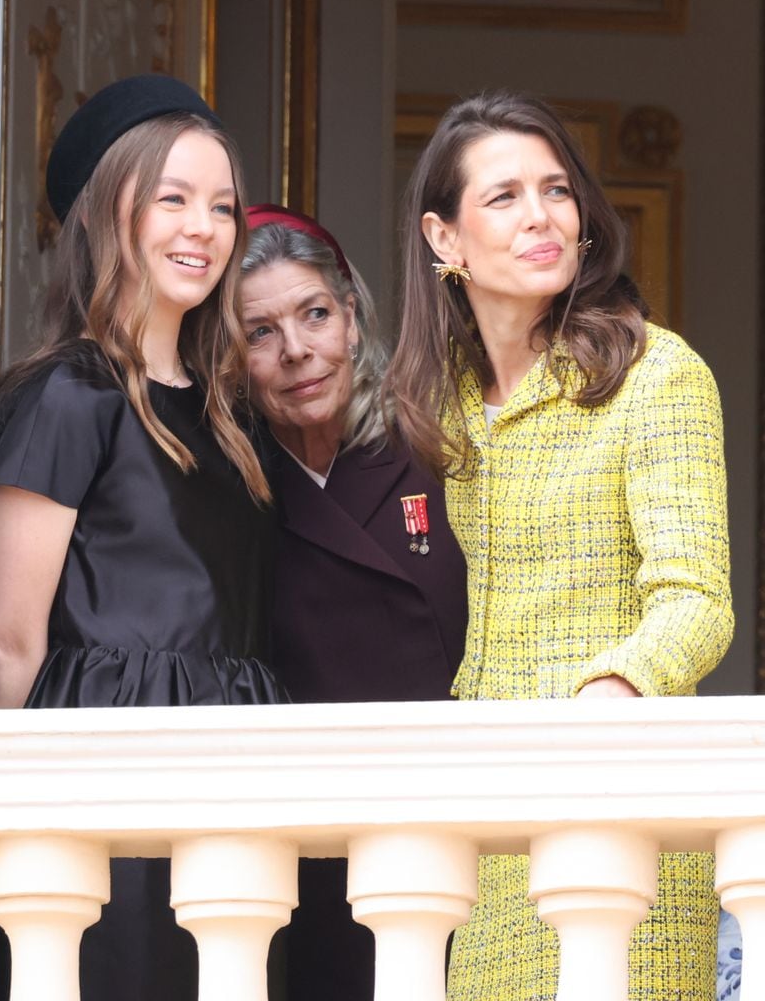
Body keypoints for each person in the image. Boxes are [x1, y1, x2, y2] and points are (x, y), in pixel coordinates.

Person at [385, 90, 734, 1001]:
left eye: (557, 190)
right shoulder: (441, 407)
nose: (540, 215)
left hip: (617, 804)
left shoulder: (655, 374)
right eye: (503, 197)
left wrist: (614, 691)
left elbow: (696, 599)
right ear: (444, 238)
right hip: (483, 825)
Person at [0, 75, 285, 1001]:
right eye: (173, 199)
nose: (203, 227)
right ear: (107, 213)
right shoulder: (68, 396)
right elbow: (12, 643)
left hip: (234, 754)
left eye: (223, 206)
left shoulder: (234, 411)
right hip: (107, 761)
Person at [238, 204, 468, 1001]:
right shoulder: (233, 486)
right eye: (259, 333)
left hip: (446, 817)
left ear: (352, 314)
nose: (297, 350)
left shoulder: (433, 438)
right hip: (303, 840)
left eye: (314, 315)